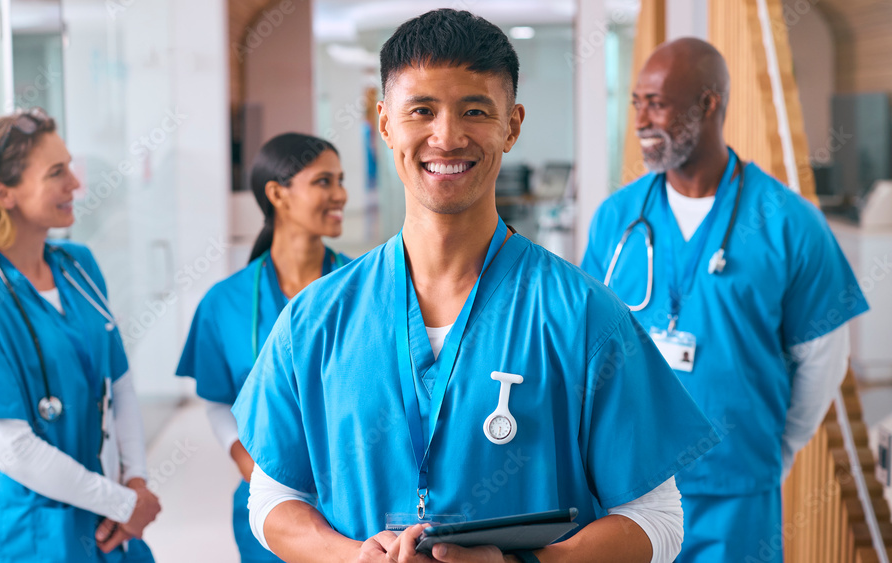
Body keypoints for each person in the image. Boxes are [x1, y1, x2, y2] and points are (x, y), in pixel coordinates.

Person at [232, 10, 718, 563]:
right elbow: (273, 496)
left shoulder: (585, 317)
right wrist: (352, 557)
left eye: (475, 111)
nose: (447, 136)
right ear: (385, 123)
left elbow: (658, 520)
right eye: (421, 111)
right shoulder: (314, 320)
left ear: (512, 125)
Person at [581, 38, 869, 562]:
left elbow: (823, 361)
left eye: (658, 103)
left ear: (708, 104)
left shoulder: (789, 222)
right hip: (630, 493)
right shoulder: (616, 218)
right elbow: (588, 350)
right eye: (636, 103)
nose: (642, 119)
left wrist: (772, 450)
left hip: (735, 492)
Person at [0, 109, 160, 562]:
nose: (75, 184)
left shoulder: (79, 267)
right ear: (3, 193)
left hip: (107, 521)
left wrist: (135, 481)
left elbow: (119, 384)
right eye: (56, 173)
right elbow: (12, 448)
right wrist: (123, 502)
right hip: (32, 535)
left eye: (70, 167)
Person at [175, 132, 349, 562]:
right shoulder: (225, 302)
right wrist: (241, 455)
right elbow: (217, 399)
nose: (341, 194)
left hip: (352, 500)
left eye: (340, 180)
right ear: (278, 194)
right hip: (267, 503)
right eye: (324, 182)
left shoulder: (364, 288)